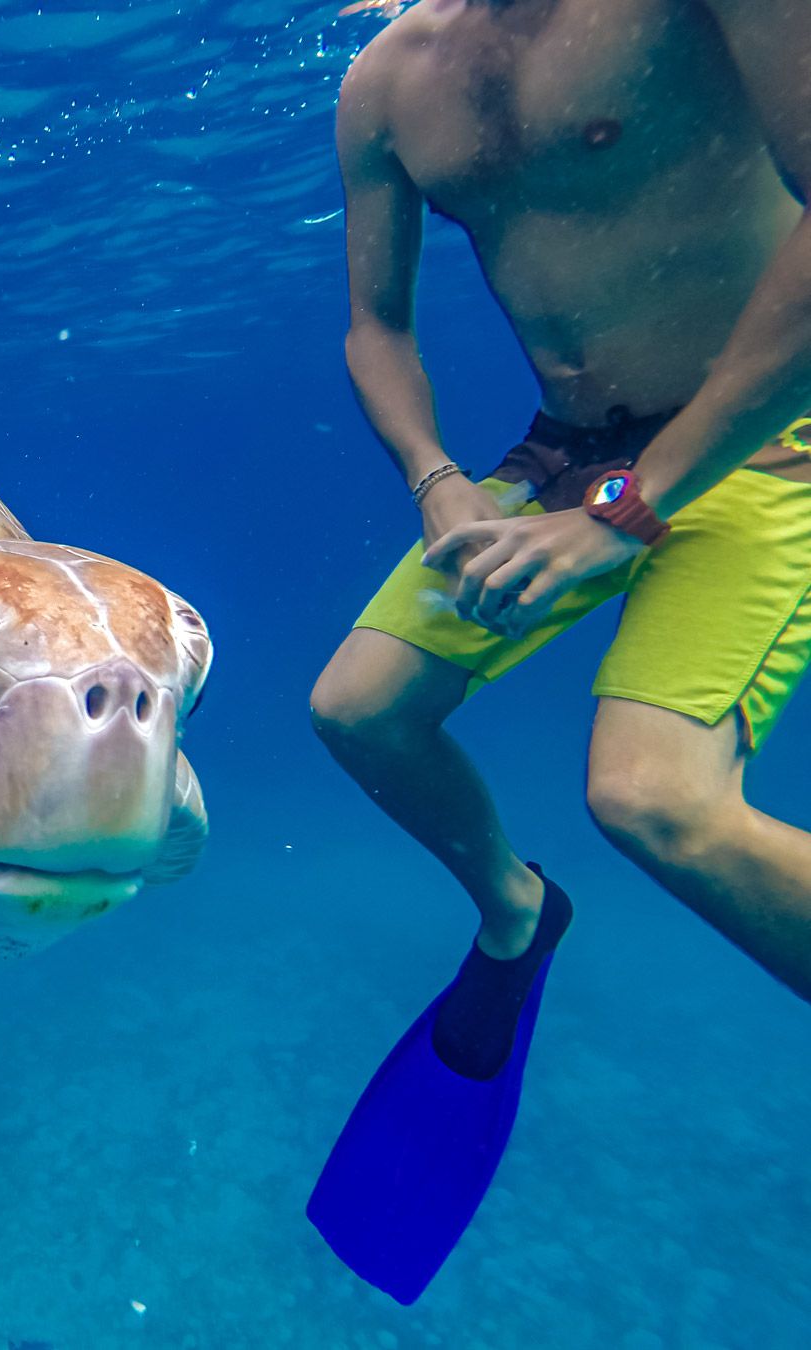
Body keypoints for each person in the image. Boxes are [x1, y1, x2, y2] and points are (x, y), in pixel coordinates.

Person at [301, 0, 811, 1304]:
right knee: (359, 708)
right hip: (562, 462)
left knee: (655, 798)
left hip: (759, 445)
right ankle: (517, 913)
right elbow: (376, 326)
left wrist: (635, 509)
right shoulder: (385, 84)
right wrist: (432, 480)